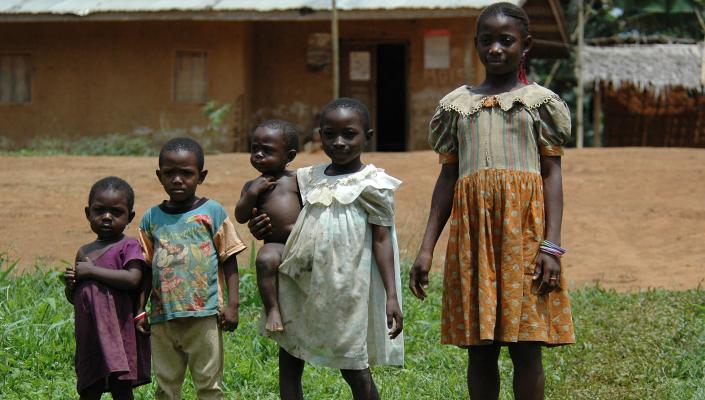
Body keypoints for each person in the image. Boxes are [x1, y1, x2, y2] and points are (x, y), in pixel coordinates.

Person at [408, 3, 575, 400]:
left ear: (526, 45)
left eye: (506, 40)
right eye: (487, 40)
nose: (496, 49)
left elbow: (551, 175)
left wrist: (550, 246)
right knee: (479, 351)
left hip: (524, 239)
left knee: (526, 347)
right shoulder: (456, 106)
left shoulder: (539, 103)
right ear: (476, 45)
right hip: (473, 241)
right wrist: (426, 248)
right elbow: (447, 178)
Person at [250, 98, 404, 400]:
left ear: (367, 137)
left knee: (353, 363)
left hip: (347, 286)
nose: (339, 142)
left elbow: (383, 239)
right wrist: (259, 227)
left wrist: (392, 296)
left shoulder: (373, 183)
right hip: (302, 281)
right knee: (290, 352)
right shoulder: (307, 177)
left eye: (349, 134)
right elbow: (282, 217)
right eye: (329, 134)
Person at [137, 138, 247, 400]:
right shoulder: (151, 218)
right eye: (169, 173)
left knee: (209, 385)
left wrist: (233, 306)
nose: (177, 179)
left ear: (201, 176)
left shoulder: (213, 212)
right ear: (159, 176)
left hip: (205, 315)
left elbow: (229, 259)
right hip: (163, 317)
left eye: (186, 173)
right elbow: (145, 268)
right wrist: (140, 310)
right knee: (166, 387)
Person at [63, 176, 150, 400]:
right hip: (91, 332)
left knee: (121, 386)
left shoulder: (128, 245)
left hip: (119, 331)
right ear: (87, 213)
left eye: (116, 212)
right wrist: (71, 285)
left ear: (130, 216)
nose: (107, 217)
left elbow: (133, 279)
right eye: (99, 210)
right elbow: (79, 298)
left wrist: (91, 272)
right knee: (89, 385)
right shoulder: (84, 251)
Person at [235, 119, 302, 333]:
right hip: (275, 244)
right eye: (255, 149)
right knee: (264, 259)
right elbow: (241, 216)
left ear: (289, 156)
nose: (259, 155)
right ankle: (273, 308)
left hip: (304, 242)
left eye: (267, 150)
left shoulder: (298, 180)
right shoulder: (251, 186)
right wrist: (253, 193)